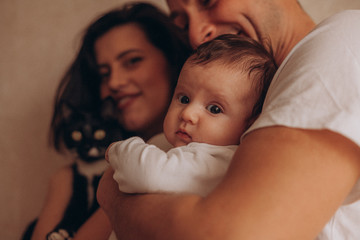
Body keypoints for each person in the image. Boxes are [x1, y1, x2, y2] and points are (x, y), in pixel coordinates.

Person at [97, 0, 360, 239]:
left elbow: (230, 234)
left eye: (207, 2)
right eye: (183, 22)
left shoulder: (344, 37)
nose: (196, 34)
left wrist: (112, 195)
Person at [28, 2, 190, 240]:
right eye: (104, 74)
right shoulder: (72, 179)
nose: (113, 82)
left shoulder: (213, 154)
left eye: (132, 60)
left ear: (173, 60)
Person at [106, 34, 277, 198]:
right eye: (184, 98)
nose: (187, 114)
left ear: (249, 125)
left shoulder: (219, 162)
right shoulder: (164, 142)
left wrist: (116, 150)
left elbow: (145, 173)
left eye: (214, 109)